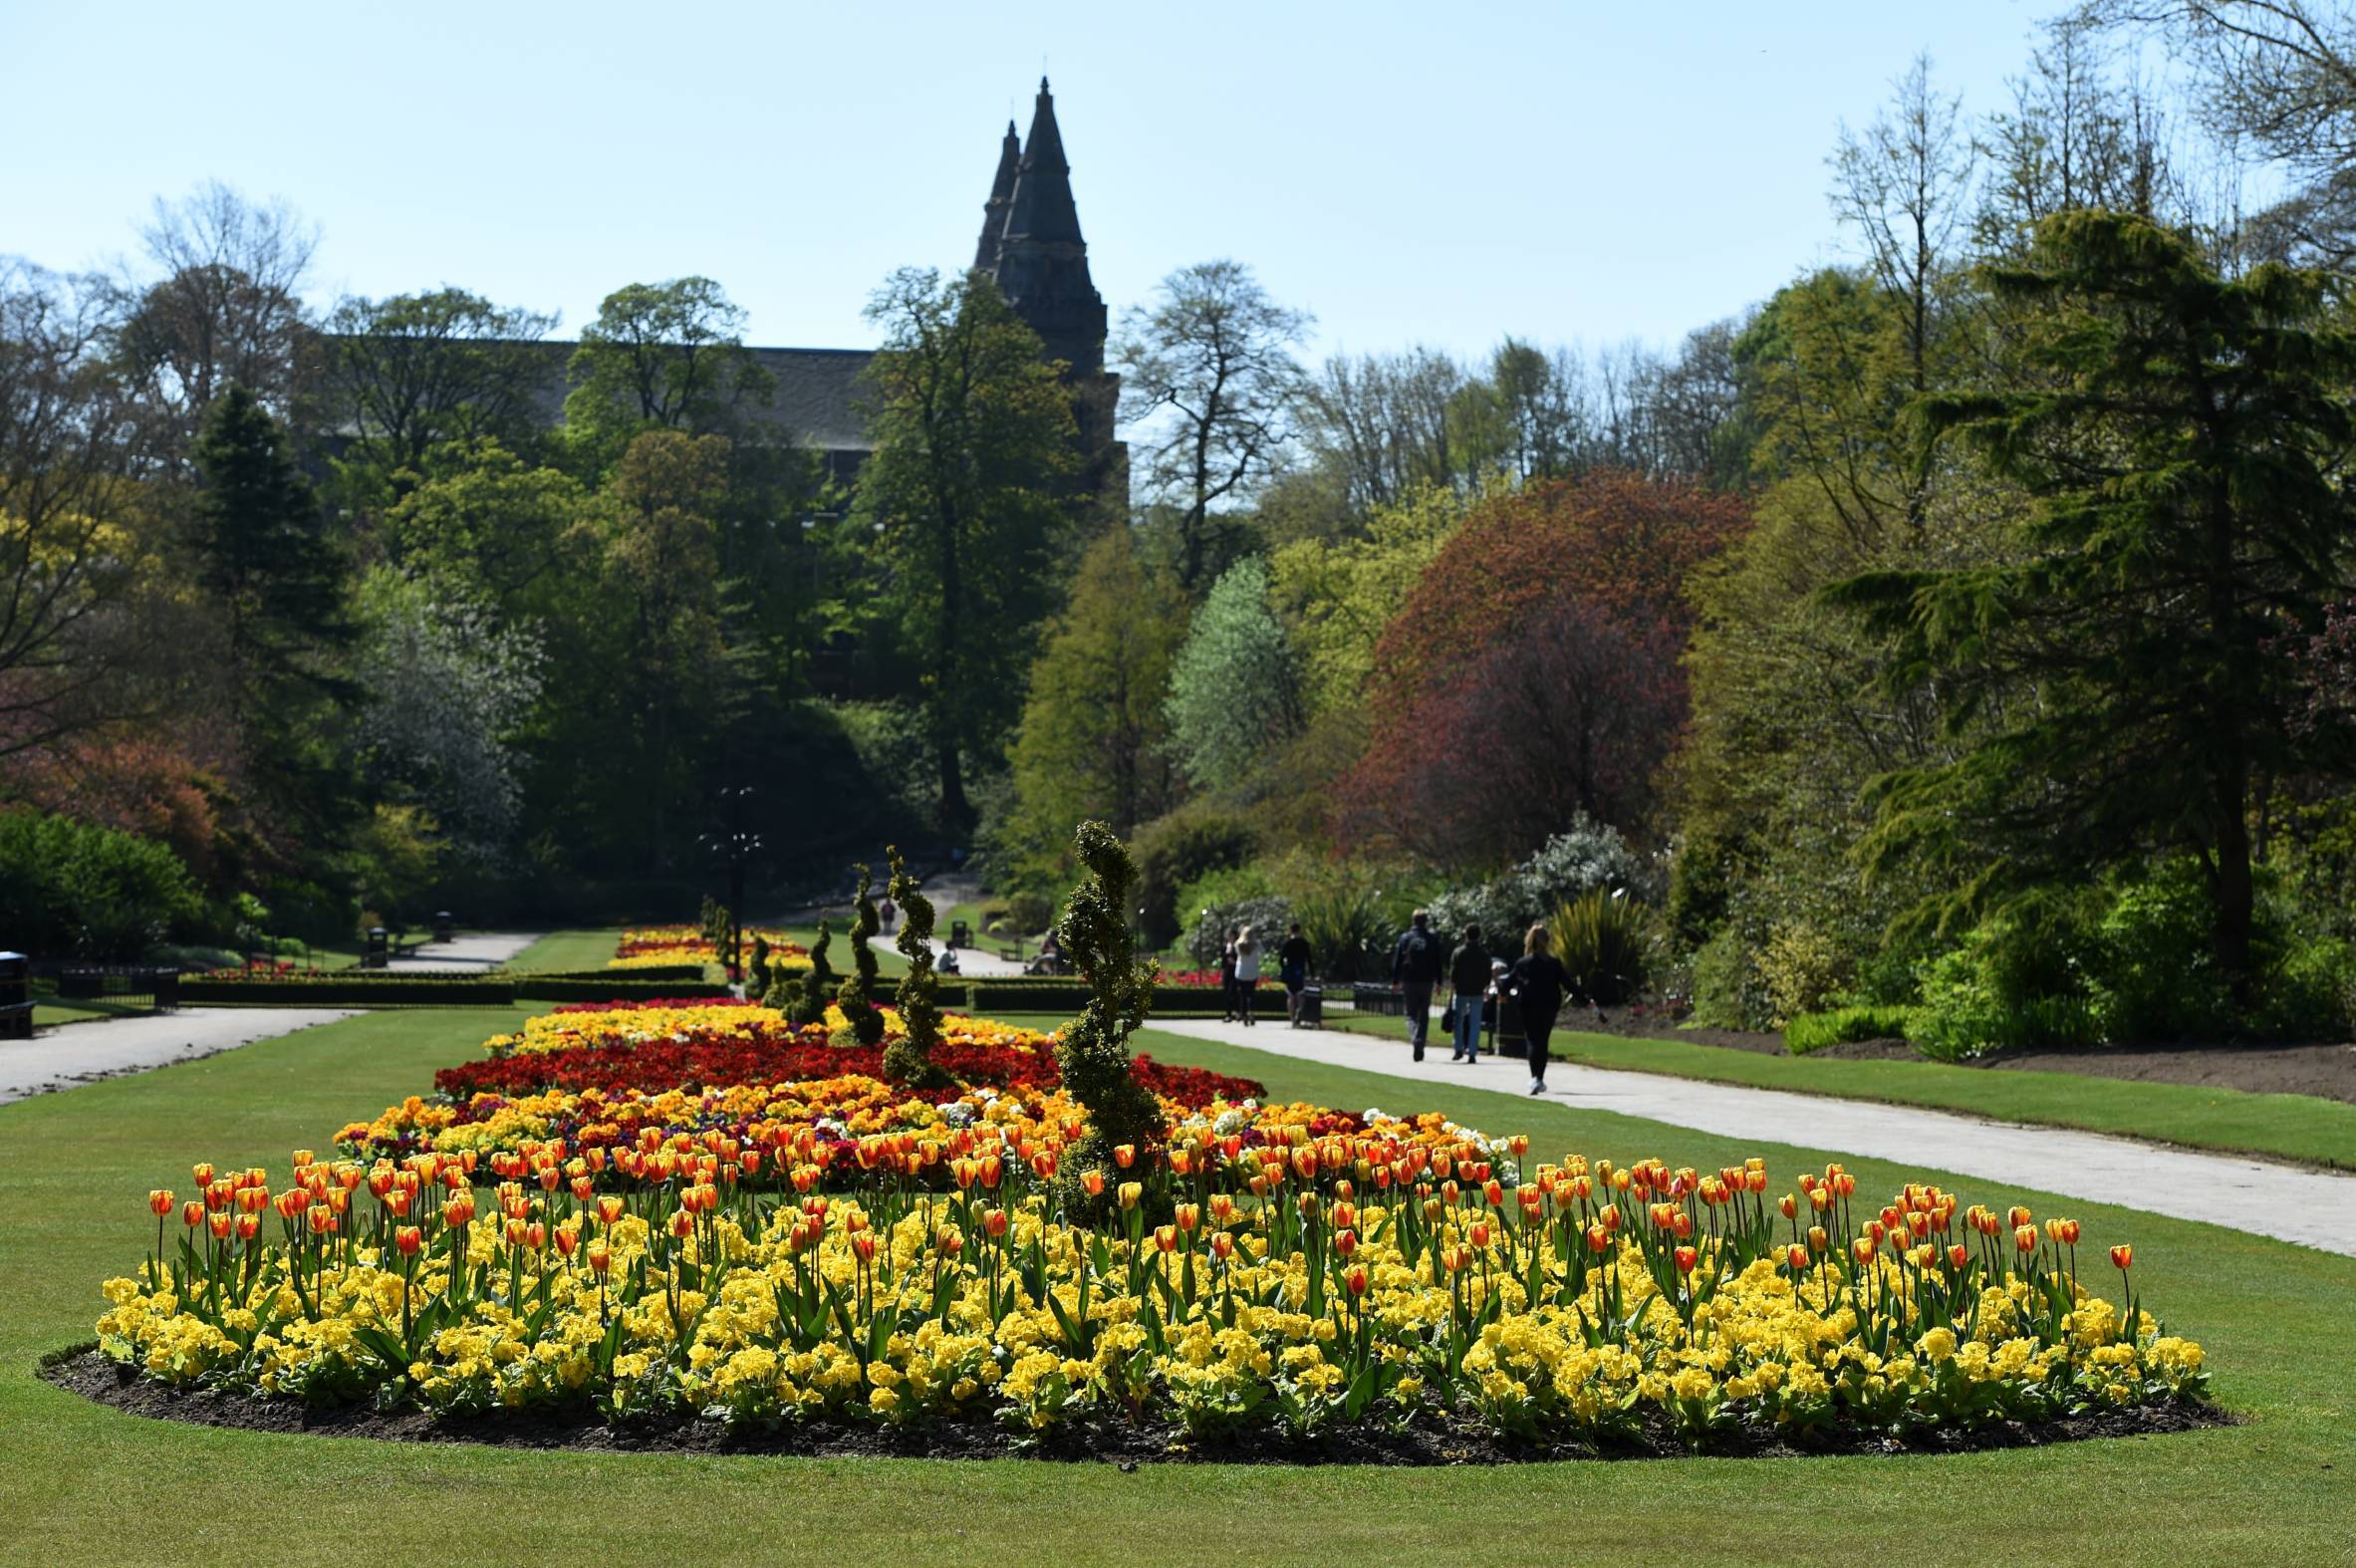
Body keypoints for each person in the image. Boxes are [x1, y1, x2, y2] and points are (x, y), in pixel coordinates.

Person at [1505, 922, 1569, 1095]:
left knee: (1533, 1040)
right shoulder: (1554, 964)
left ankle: (1535, 1077)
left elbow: (1508, 983)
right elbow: (1568, 983)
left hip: (1528, 1006)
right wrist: (1586, 1000)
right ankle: (1539, 1077)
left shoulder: (1523, 963)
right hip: (1549, 1006)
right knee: (1543, 1040)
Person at [1390, 909, 1444, 1062]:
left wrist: (1395, 981)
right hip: (1426, 980)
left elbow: (1398, 961)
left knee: (1411, 1014)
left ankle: (1415, 1038)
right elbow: (1438, 962)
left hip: (1409, 979)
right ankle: (1420, 1040)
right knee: (1424, 1014)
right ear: (1425, 921)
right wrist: (1439, 982)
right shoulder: (1432, 939)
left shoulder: (1405, 938)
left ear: (1413, 921)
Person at [1446, 921, 1490, 1062]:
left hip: (1462, 990)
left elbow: (1454, 975)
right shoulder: (1484, 954)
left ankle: (1458, 1048)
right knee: (1475, 1022)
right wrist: (1486, 989)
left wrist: (1451, 992)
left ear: (1466, 934)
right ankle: (1472, 1052)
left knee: (1459, 1021)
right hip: (1477, 991)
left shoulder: (1459, 952)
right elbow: (1487, 974)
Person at [1278, 922, 1312, 1025]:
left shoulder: (1287, 943)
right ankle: (1300, 1012)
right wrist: (1312, 972)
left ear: (1290, 930)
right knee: (1300, 994)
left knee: (1290, 995)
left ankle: (1292, 1019)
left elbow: (1281, 959)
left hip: (1290, 971)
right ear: (1299, 930)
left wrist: (1284, 967)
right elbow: (1309, 959)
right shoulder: (1304, 943)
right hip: (1299, 970)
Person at [1231, 925, 1262, 1025]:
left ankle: (1243, 1014)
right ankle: (1251, 1012)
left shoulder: (1238, 944)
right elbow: (1262, 952)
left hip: (1241, 972)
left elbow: (1237, 953)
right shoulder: (1256, 944)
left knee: (1242, 995)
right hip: (1252, 971)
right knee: (1251, 995)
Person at [1218, 925, 1240, 1022]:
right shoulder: (1225, 947)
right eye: (1228, 935)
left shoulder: (1237, 946)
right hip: (1227, 972)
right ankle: (1228, 1014)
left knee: (1234, 992)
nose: (1229, 937)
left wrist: (1234, 962)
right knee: (1227, 993)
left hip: (1235, 971)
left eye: (1231, 935)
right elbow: (1223, 962)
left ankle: (1238, 1012)